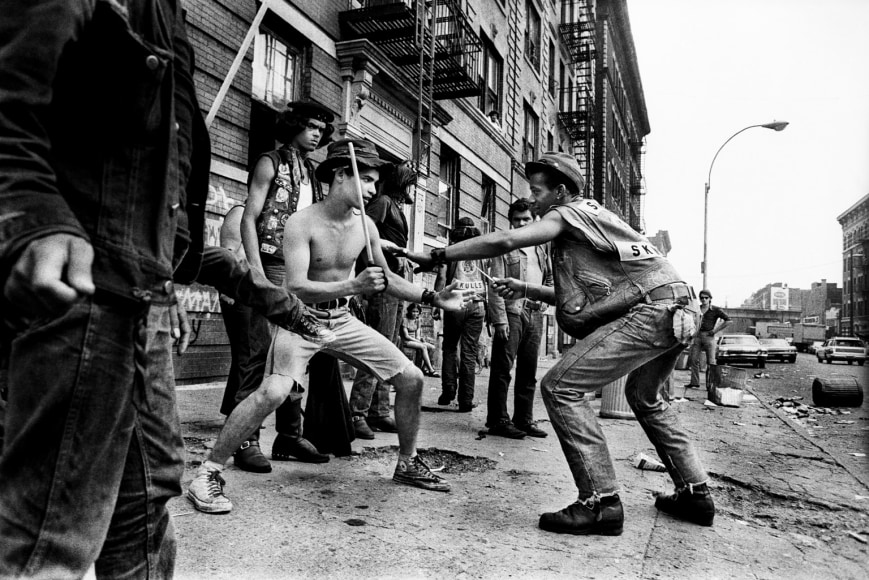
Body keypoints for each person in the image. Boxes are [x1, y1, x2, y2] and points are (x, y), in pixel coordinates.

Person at [404, 151, 714, 536]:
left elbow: (506, 239)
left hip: (654, 310)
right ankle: (696, 493)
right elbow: (602, 296)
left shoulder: (565, 213)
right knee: (646, 396)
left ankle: (600, 502)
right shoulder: (593, 217)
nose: (531, 200)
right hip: (676, 307)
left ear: (561, 191)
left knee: (561, 387)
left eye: (536, 191)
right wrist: (527, 287)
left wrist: (438, 255)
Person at [186, 138, 472, 514]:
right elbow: (295, 287)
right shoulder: (301, 223)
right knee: (273, 393)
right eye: (366, 180)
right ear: (341, 175)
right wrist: (353, 285)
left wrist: (432, 298)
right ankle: (207, 473)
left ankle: (407, 462)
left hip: (342, 319)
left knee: (412, 378)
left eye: (374, 182)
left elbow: (386, 279)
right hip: (300, 320)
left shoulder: (365, 225)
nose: (372, 190)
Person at [239, 100, 339, 467]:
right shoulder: (271, 162)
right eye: (311, 126)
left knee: (296, 352)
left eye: (321, 129)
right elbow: (248, 217)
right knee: (256, 353)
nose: (317, 133)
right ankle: (246, 440)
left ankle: (289, 436)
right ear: (294, 124)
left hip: (299, 271)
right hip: (269, 264)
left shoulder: (312, 172)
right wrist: (254, 269)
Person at [348, 160, 416, 440]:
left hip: (394, 284)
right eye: (408, 181)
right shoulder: (384, 202)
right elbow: (362, 235)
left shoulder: (394, 205)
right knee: (378, 348)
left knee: (391, 346)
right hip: (383, 285)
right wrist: (371, 273)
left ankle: (378, 411)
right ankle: (357, 413)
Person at [485, 198, 553, 439]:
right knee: (503, 369)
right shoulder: (504, 247)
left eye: (526, 219)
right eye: (517, 220)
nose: (522, 223)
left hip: (535, 313)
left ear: (535, 220)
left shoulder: (541, 247)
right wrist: (499, 320)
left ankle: (524, 419)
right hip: (512, 312)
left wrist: (545, 300)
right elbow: (494, 287)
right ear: (510, 222)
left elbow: (549, 279)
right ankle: (498, 420)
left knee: (529, 370)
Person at [435, 217, 487, 412]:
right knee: (469, 352)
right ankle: (466, 399)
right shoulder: (482, 252)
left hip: (455, 303)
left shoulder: (449, 252)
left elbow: (441, 277)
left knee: (449, 347)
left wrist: (436, 300)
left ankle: (448, 390)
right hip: (477, 305)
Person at [685, 289, 731, 389]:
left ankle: (710, 384)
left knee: (711, 362)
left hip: (709, 336)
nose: (704, 300)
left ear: (710, 299)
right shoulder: (697, 309)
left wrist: (715, 331)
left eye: (706, 298)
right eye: (702, 298)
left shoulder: (715, 310)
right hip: (697, 336)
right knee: (693, 359)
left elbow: (728, 320)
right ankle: (694, 382)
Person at [400, 303, 439, 377]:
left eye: (417, 312)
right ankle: (431, 370)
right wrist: (418, 342)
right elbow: (406, 336)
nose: (415, 313)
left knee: (432, 347)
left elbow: (417, 335)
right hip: (407, 341)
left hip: (415, 340)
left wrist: (421, 339)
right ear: (409, 311)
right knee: (423, 347)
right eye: (413, 311)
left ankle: (424, 368)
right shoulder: (405, 320)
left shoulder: (418, 321)